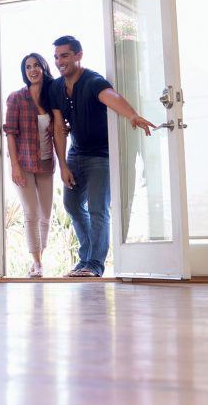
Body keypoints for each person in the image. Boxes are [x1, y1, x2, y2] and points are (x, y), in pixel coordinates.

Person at [49, 35, 155, 277]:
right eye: (56, 57)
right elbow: (58, 127)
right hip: (76, 153)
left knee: (98, 209)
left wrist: (133, 115)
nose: (59, 61)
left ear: (78, 55)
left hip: (101, 156)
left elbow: (112, 97)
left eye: (64, 55)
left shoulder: (93, 81)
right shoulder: (56, 88)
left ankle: (94, 265)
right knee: (72, 205)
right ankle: (86, 258)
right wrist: (63, 165)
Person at [4, 53, 57, 278]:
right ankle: (37, 263)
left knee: (45, 214)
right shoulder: (16, 98)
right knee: (31, 213)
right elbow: (10, 133)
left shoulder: (52, 98)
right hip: (23, 162)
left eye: (36, 66)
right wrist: (15, 166)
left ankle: (39, 259)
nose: (32, 70)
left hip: (45, 162)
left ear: (44, 68)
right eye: (28, 67)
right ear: (24, 72)